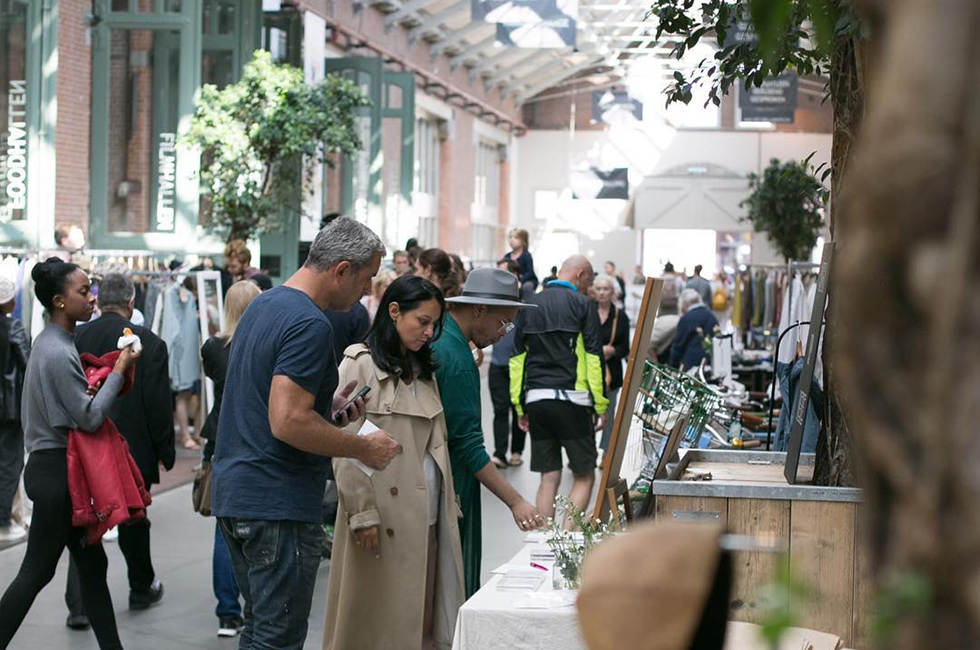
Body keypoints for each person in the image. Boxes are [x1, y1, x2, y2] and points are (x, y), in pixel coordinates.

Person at [211, 218, 401, 650]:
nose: (366, 292)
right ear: (342, 270)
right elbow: (287, 421)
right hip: (276, 501)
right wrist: (362, 447)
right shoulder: (309, 323)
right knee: (276, 637)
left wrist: (326, 411)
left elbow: (271, 405)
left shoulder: (264, 305)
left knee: (259, 630)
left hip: (239, 492)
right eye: (366, 279)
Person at [0, 258, 140, 650]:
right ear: (60, 301)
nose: (92, 297)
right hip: (57, 475)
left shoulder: (51, 343)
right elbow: (91, 418)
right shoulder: (57, 350)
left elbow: (71, 408)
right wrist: (119, 369)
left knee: (91, 569)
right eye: (83, 291)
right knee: (36, 572)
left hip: (56, 471)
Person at [324, 275, 465, 650]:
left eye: (434, 325)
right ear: (394, 311)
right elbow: (344, 443)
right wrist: (362, 513)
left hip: (428, 515)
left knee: (423, 625)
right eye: (423, 321)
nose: (429, 333)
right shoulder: (360, 364)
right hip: (381, 519)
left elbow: (435, 444)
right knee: (375, 627)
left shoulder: (423, 370)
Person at [65, 273, 175, 628]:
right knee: (134, 519)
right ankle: (140, 586)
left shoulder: (76, 337)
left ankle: (79, 605)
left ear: (99, 301)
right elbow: (158, 404)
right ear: (131, 302)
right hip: (132, 446)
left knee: (84, 521)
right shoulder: (150, 343)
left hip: (84, 444)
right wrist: (165, 450)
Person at [431, 268, 541, 597]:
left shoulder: (446, 339)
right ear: (479, 310)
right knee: (451, 585)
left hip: (440, 478)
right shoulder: (456, 358)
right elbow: (468, 444)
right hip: (452, 484)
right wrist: (516, 501)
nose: (504, 334)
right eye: (503, 323)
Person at [510, 255, 608, 528]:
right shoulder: (583, 305)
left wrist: (520, 406)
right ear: (580, 275)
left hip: (537, 400)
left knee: (548, 476)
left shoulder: (529, 305)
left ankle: (542, 541)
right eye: (589, 280)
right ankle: (566, 537)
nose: (589, 287)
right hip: (572, 401)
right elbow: (593, 358)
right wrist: (600, 405)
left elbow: (517, 360)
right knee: (584, 475)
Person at [200, 280, 262, 638]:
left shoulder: (213, 348)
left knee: (223, 531)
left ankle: (227, 611)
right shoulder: (264, 347)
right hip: (255, 441)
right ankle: (257, 606)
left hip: (220, 441)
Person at [0, 278, 29, 543]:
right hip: (8, 408)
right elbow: (27, 364)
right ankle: (3, 520)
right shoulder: (13, 328)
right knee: (10, 462)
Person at [489, 259, 525, 468]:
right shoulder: (490, 303)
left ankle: (517, 451)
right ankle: (499, 453)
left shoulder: (522, 304)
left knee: (518, 407)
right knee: (500, 410)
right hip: (498, 363)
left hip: (518, 363)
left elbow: (516, 329)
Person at [594, 274, 631, 452]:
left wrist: (613, 350)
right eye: (599, 289)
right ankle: (586, 451)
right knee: (587, 413)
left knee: (608, 414)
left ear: (612, 292)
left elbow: (625, 347)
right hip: (589, 372)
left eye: (605, 289)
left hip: (611, 372)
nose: (602, 292)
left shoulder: (620, 316)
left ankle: (606, 453)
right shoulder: (587, 312)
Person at [670, 289, 719, 371]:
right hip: (710, 364)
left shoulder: (686, 318)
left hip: (690, 365)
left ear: (684, 304)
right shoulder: (711, 316)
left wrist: (672, 368)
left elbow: (678, 346)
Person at [506, 228, 538, 295]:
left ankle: (528, 301)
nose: (512, 240)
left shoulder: (526, 255)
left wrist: (520, 281)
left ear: (523, 241)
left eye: (516, 237)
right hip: (512, 281)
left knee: (527, 287)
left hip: (527, 280)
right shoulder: (507, 256)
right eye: (510, 237)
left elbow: (530, 272)